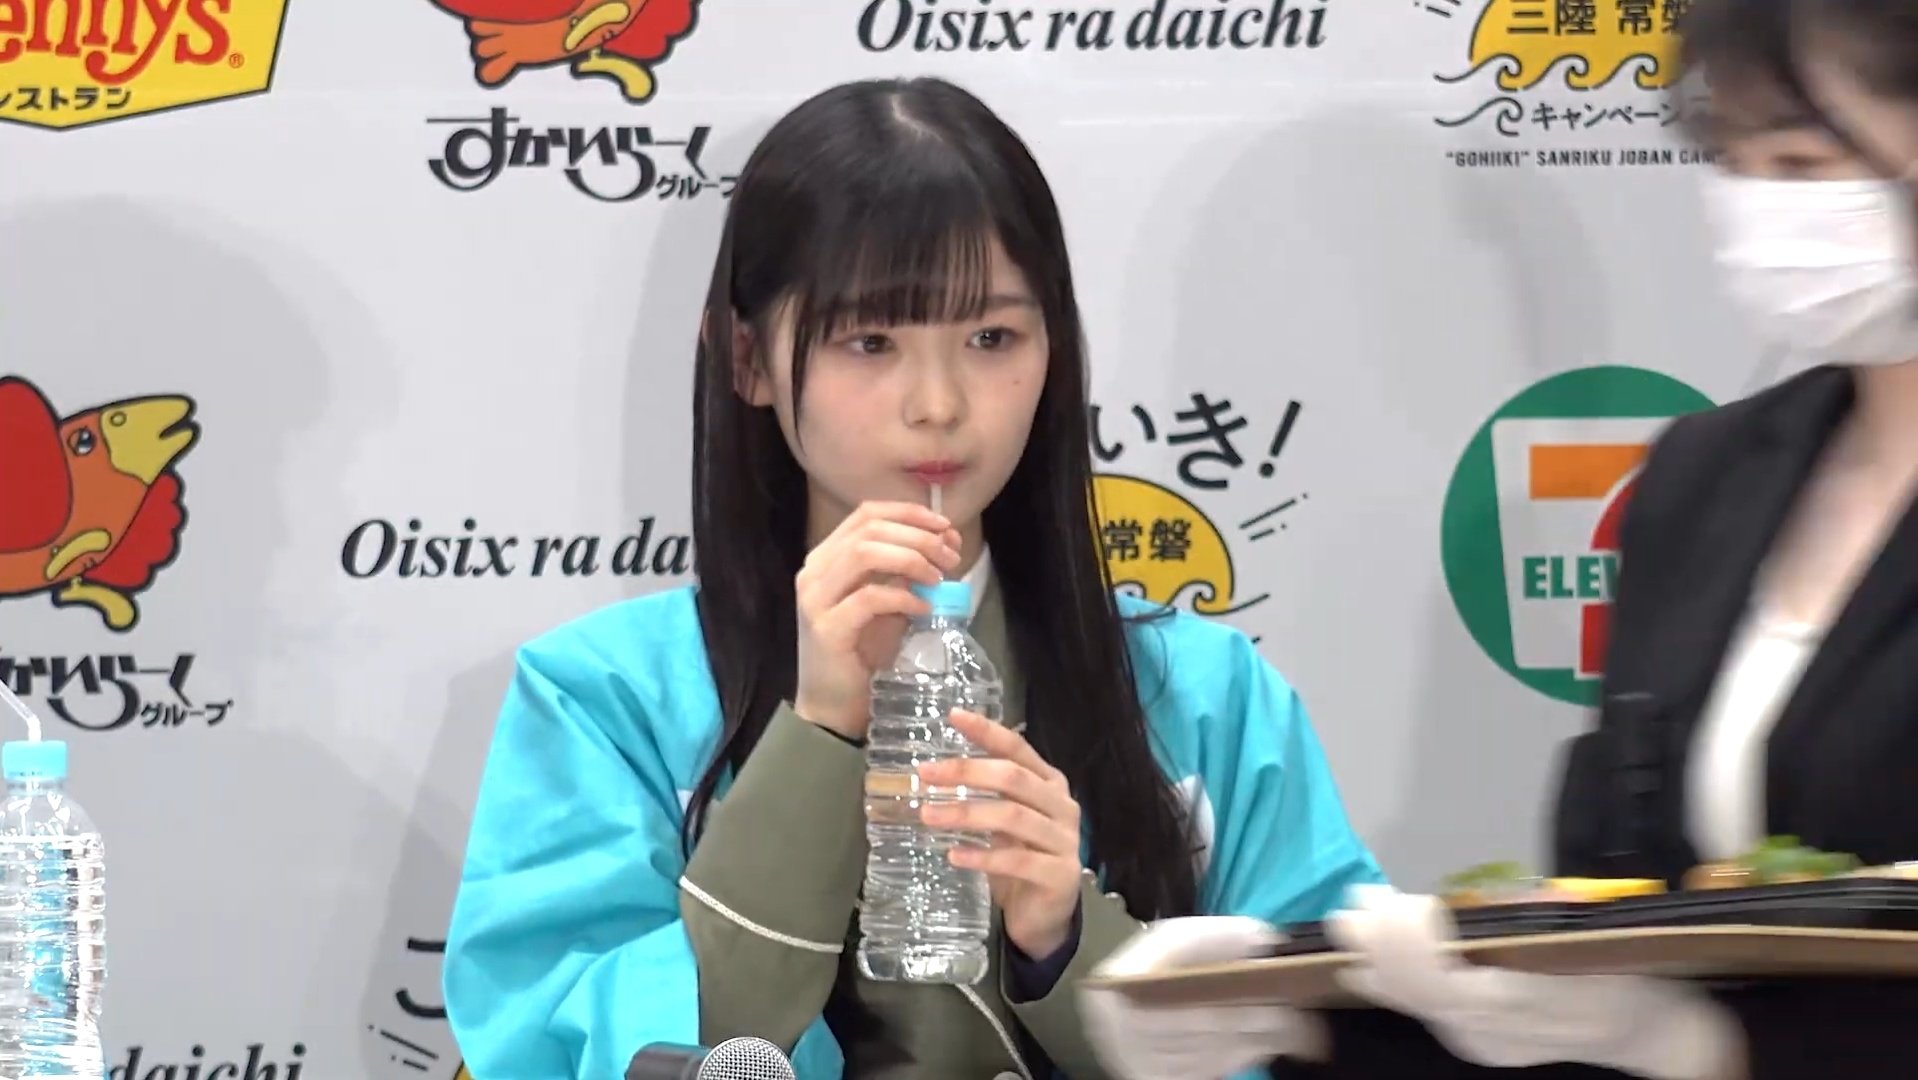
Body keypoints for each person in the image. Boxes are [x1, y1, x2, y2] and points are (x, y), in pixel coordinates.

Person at [439, 75, 1384, 1080]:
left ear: (1054, 348)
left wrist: (1069, 942)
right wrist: (814, 742)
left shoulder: (1209, 697)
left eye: (990, 338)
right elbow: (561, 1050)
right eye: (870, 341)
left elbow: (1329, 1036)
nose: (938, 403)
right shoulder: (602, 701)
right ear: (747, 358)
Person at [1081, 1, 1918, 1078]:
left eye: (1805, 163)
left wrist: (1711, 1046)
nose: (1764, 215)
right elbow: (1600, 953)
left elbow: (1675, 1025)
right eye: (1736, 163)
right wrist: (1293, 1011)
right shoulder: (1705, 479)